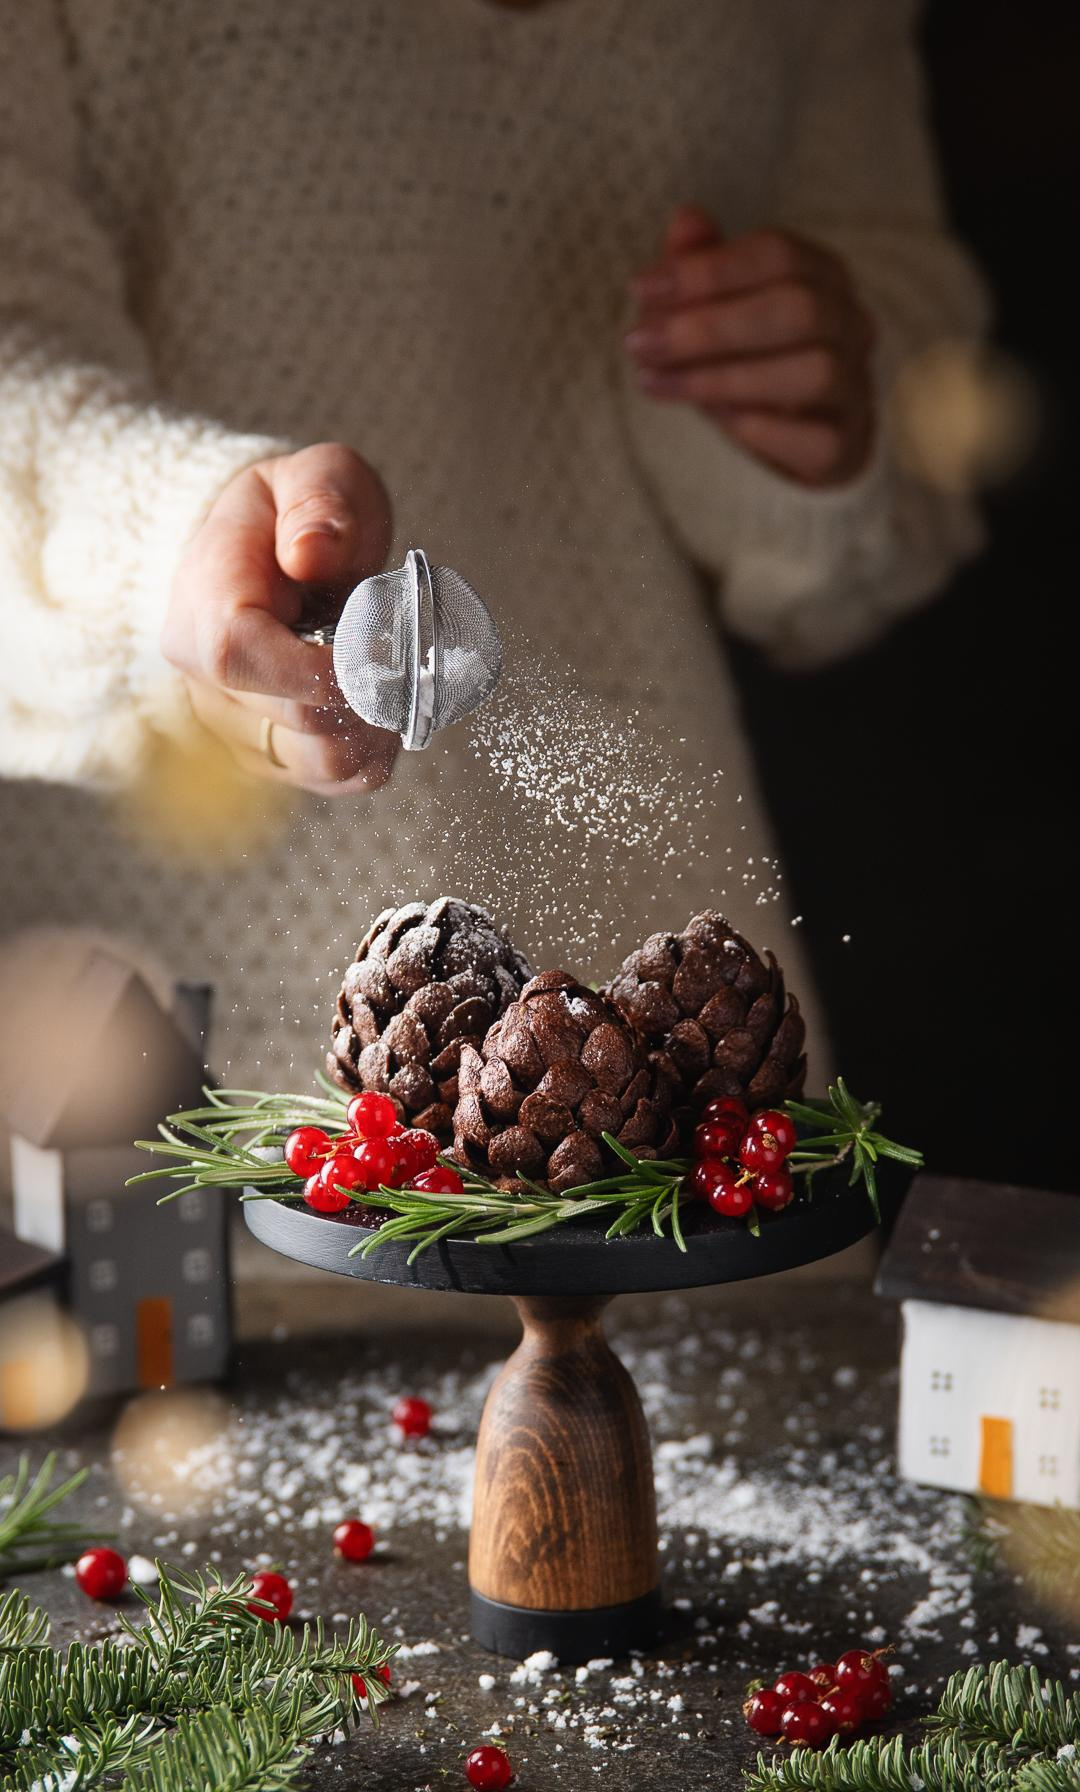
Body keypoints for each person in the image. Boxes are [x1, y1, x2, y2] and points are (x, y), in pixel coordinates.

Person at [0, 2, 984, 1085]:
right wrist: (168, 536)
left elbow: (917, 363)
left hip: (660, 1072)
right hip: (148, 1042)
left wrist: (820, 408)